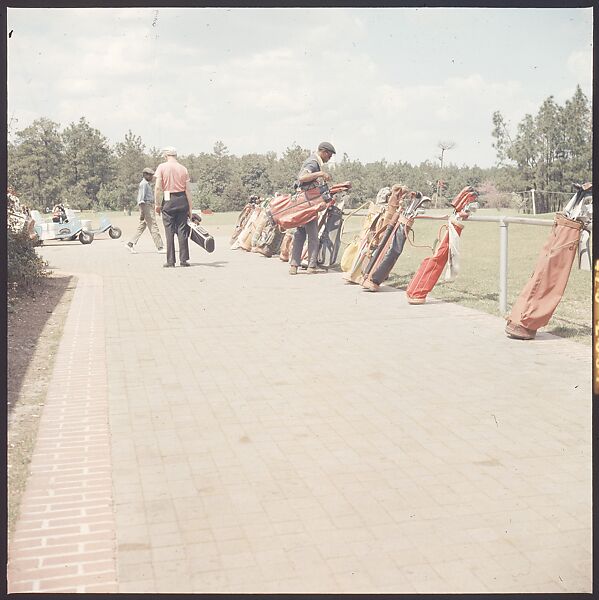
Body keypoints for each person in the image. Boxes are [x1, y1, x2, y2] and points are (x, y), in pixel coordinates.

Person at [289, 141, 336, 275]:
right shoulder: (313, 162)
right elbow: (302, 177)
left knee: (300, 233)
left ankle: (294, 265)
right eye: (330, 156)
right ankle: (311, 266)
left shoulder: (313, 161)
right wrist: (320, 174)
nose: (329, 159)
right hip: (308, 203)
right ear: (324, 152)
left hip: (302, 202)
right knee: (313, 235)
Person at [154, 147, 193, 268]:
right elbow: (188, 190)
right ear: (176, 156)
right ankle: (183, 260)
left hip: (168, 200)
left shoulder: (162, 167)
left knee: (169, 231)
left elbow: (158, 188)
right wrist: (190, 208)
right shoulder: (183, 168)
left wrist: (157, 204)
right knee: (182, 230)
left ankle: (171, 261)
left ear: (166, 155)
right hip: (182, 200)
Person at [127, 167, 165, 254]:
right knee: (153, 226)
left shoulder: (147, 184)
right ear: (145, 175)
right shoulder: (143, 184)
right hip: (146, 207)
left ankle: (130, 244)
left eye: (152, 175)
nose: (151, 177)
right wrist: (142, 212)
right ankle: (160, 247)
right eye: (150, 175)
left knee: (142, 227)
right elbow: (141, 200)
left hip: (149, 206)